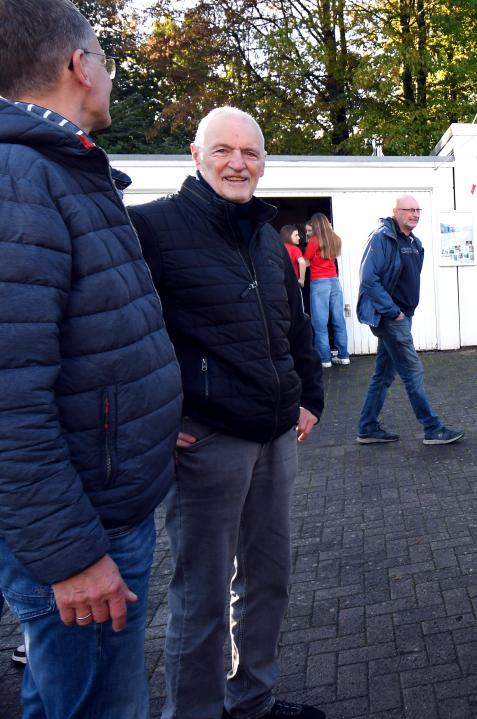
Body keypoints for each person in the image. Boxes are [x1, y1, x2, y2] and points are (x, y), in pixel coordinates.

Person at [0, 0, 183, 715]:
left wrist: (147, 418)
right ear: (80, 66)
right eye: (104, 58)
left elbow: (92, 342)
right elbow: (9, 399)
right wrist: (72, 558)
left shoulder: (62, 170)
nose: (107, 72)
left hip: (101, 509)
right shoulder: (21, 179)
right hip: (79, 537)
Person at [127, 107, 326, 719]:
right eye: (223, 150)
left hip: (276, 437)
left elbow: (294, 327)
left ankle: (252, 702)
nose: (238, 163)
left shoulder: (266, 235)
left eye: (251, 153)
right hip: (208, 442)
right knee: (202, 599)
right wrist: (164, 422)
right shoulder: (152, 228)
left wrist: (310, 397)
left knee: (268, 582)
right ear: (195, 155)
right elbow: (125, 340)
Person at [356, 196, 465, 445]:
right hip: (392, 318)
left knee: (383, 375)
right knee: (412, 371)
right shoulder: (382, 237)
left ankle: (367, 427)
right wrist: (392, 311)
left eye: (418, 210)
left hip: (404, 315)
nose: (415, 214)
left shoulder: (413, 241)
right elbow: (368, 279)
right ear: (395, 212)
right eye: (409, 209)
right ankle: (432, 428)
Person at [305, 213, 350, 367]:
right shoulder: (336, 240)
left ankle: (324, 359)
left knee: (320, 322)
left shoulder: (313, 241)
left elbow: (306, 261)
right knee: (338, 319)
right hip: (334, 281)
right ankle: (344, 356)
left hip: (319, 282)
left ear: (316, 225)